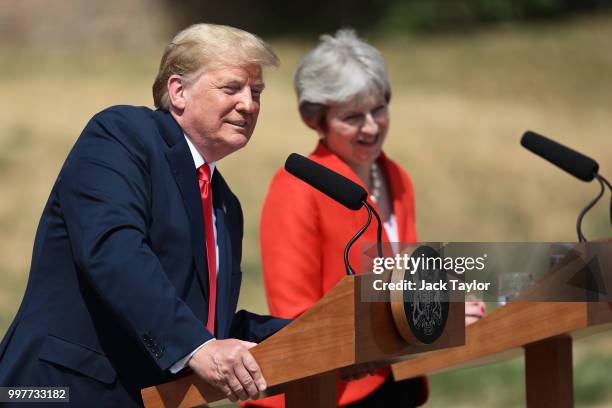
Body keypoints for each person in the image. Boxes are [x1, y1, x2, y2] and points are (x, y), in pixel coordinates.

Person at [0, 24, 289, 407]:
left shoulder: (224, 204)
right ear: (178, 91)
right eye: (231, 88)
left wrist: (321, 334)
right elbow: (114, 252)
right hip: (56, 391)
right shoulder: (122, 136)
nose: (249, 105)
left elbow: (206, 325)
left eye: (256, 93)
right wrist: (197, 346)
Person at [256, 30, 485, 407]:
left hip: (397, 381)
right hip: (331, 393)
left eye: (378, 109)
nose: (371, 127)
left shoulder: (395, 176)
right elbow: (295, 319)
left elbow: (406, 287)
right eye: (352, 116)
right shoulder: (295, 188)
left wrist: (447, 307)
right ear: (316, 120)